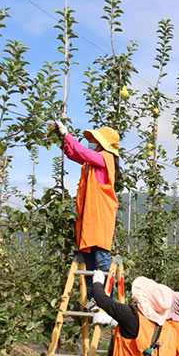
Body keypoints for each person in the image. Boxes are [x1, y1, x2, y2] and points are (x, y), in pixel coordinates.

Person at [56, 119, 121, 295]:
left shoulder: (104, 158)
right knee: (90, 261)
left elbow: (81, 151)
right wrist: (62, 140)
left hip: (100, 218)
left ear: (103, 144)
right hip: (90, 219)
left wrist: (66, 134)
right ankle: (95, 298)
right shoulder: (93, 162)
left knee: (102, 260)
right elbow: (74, 154)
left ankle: (108, 300)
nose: (92, 143)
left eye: (95, 140)